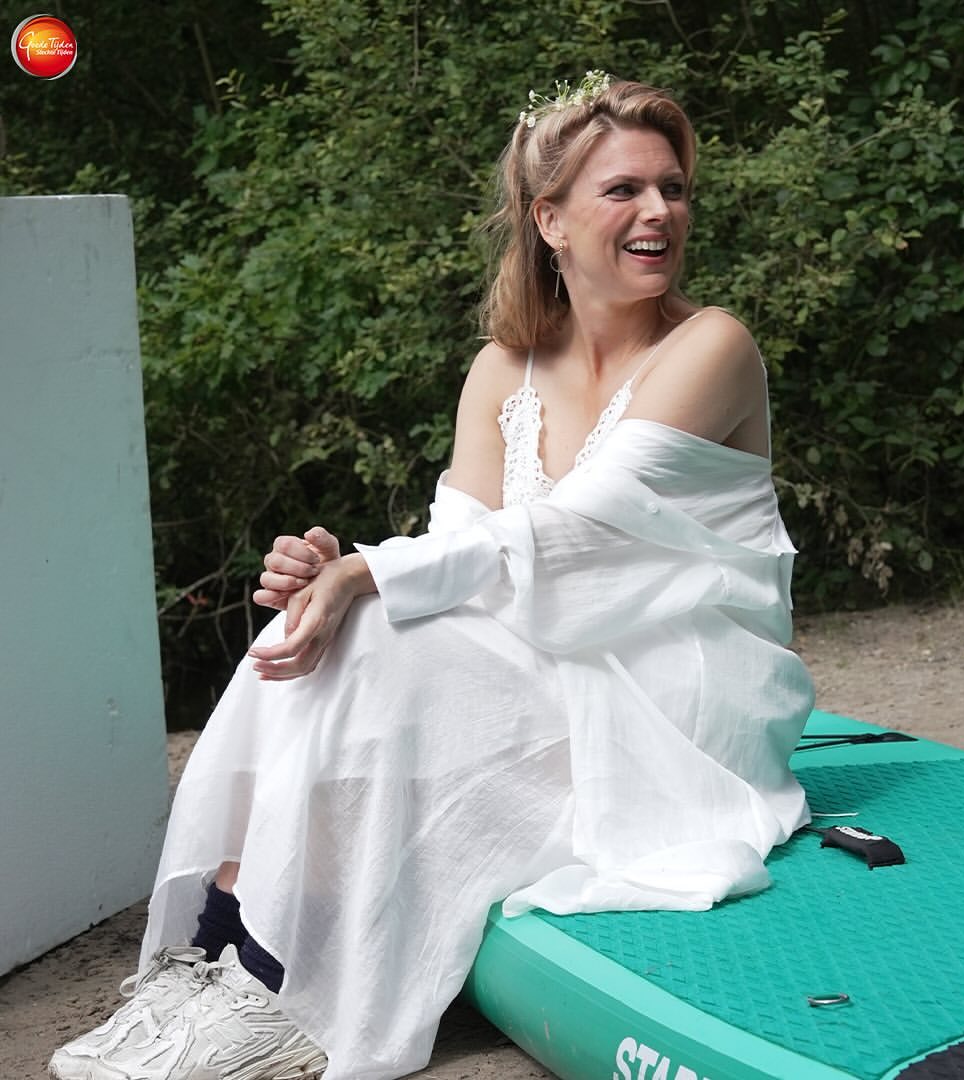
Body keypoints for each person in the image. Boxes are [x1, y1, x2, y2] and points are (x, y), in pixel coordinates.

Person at [51, 72, 814, 1080]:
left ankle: (274, 983)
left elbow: (579, 532)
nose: (660, 212)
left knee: (375, 630)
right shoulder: (505, 366)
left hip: (673, 682)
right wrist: (340, 574)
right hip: (544, 648)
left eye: (673, 189)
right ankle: (226, 949)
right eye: (624, 190)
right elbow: (464, 545)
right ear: (550, 220)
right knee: (330, 633)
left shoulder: (713, 346)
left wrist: (374, 574)